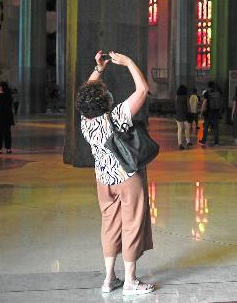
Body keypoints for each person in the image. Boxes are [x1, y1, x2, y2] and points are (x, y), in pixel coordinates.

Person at [76, 51, 154, 296]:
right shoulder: (117, 116)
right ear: (105, 100)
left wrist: (98, 69)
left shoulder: (85, 120)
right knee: (132, 225)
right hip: (126, 177)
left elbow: (88, 90)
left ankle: (109, 279)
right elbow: (142, 90)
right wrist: (130, 62)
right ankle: (130, 281)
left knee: (109, 226)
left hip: (103, 179)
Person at [199, 81, 222, 147]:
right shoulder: (218, 92)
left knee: (206, 127)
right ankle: (216, 143)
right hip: (216, 112)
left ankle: (203, 141)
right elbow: (220, 102)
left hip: (209, 113)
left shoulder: (207, 93)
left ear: (208, 86)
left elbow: (204, 103)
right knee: (216, 128)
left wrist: (201, 112)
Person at [175, 85, 192, 150]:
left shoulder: (177, 97)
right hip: (185, 115)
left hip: (178, 114)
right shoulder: (186, 97)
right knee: (187, 128)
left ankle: (180, 143)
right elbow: (188, 106)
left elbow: (176, 105)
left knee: (180, 129)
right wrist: (190, 112)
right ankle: (188, 141)